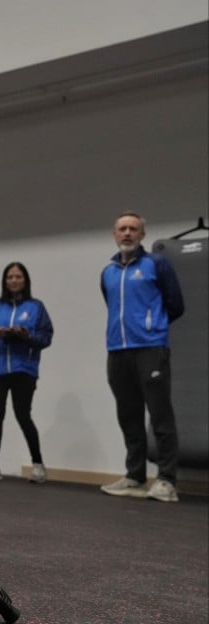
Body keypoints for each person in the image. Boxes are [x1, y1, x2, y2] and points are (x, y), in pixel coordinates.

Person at [99, 211, 185, 502]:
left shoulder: (156, 264)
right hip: (117, 351)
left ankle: (166, 479)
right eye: (122, 228)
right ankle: (135, 476)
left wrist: (152, 325)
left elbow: (175, 304)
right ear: (114, 234)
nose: (127, 233)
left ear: (142, 235)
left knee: (160, 415)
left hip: (150, 349)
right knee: (129, 416)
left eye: (133, 229)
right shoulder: (108, 272)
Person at [0, 262, 54, 483]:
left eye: (18, 276)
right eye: (10, 277)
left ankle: (38, 465)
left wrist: (25, 335)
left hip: (24, 369)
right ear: (5, 281)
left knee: (23, 415)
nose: (13, 280)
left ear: (25, 280)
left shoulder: (36, 307)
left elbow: (46, 338)